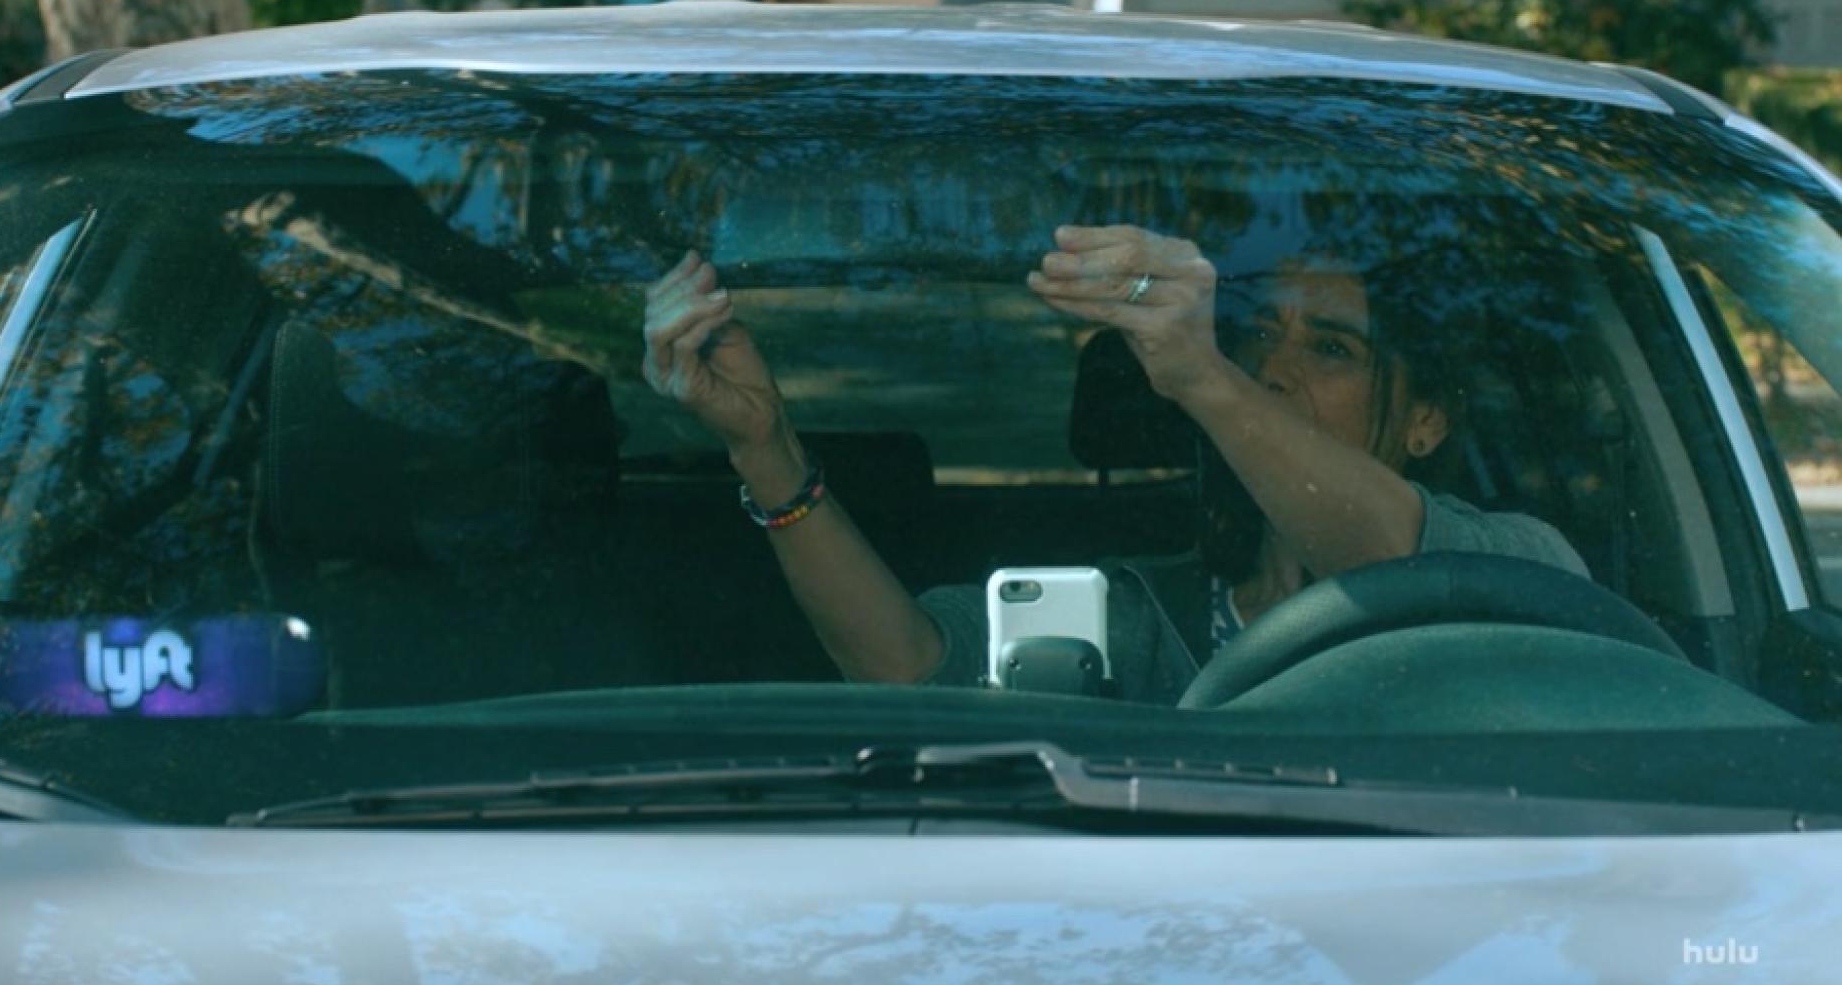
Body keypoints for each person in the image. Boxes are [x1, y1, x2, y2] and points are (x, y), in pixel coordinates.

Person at [639, 224, 1586, 701]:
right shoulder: (1144, 616)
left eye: (1331, 349)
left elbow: (1397, 562)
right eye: (1259, 336)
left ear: (1426, 419)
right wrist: (764, 448)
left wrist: (1205, 376)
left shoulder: (1517, 572)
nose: (1274, 368)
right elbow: (906, 669)